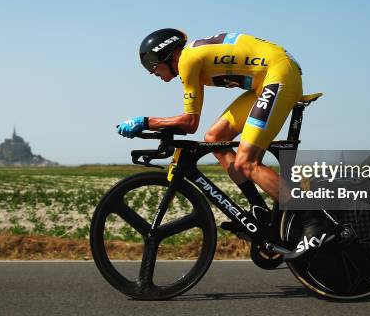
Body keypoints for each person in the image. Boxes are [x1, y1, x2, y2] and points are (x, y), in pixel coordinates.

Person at [117, 28, 332, 260]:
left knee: (246, 162)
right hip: (267, 79)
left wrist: (146, 121)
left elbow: (189, 123)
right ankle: (258, 209)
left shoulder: (188, 60)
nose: (151, 72)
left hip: (279, 75)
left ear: (167, 53)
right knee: (215, 139)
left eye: (150, 62)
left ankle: (315, 220)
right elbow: (192, 124)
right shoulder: (191, 61)